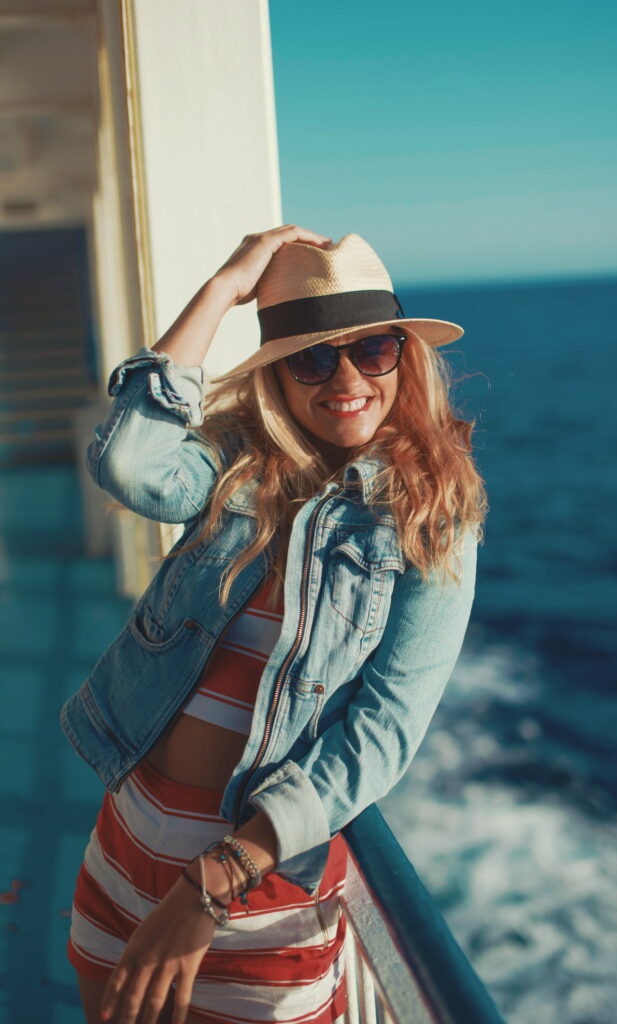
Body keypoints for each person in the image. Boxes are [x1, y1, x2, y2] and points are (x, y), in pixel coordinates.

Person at [61, 224, 487, 1024]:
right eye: (312, 358)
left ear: (404, 353)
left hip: (250, 902)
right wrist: (224, 285)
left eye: (372, 350)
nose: (346, 378)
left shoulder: (434, 515)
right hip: (121, 854)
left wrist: (212, 884)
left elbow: (385, 731)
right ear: (279, 377)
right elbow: (128, 465)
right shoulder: (235, 463)